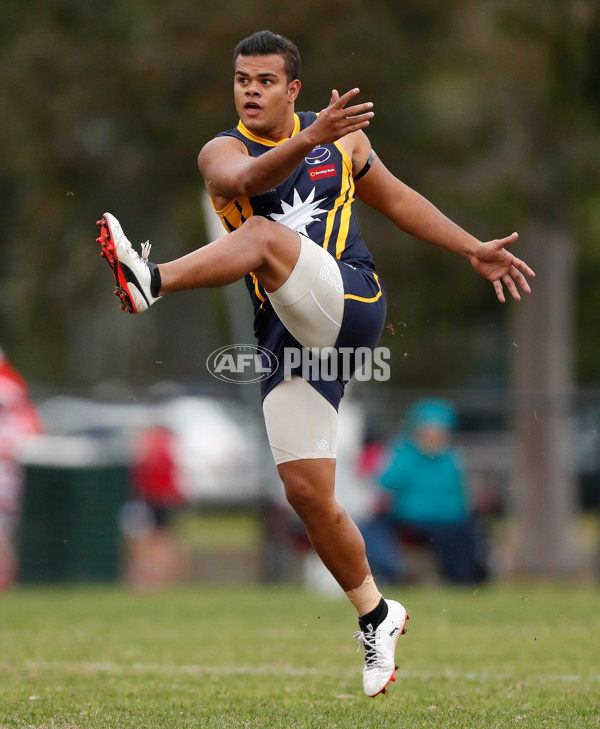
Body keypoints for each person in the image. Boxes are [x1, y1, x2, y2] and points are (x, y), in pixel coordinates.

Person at [94, 30, 534, 696]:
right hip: (287, 332)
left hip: (352, 303)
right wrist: (310, 137)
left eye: (266, 80)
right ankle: (376, 610)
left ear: (293, 89)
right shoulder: (223, 149)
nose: (250, 89)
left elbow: (397, 198)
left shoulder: (343, 141)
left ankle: (149, 279)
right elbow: (243, 180)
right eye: (243, 78)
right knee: (307, 493)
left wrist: (470, 246)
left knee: (263, 235)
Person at [362, 398, 487, 584]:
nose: (433, 438)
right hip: (410, 522)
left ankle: (467, 580)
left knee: (466, 536)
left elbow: (462, 499)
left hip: (450, 523)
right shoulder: (403, 455)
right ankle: (389, 574)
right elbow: (384, 485)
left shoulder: (452, 459)